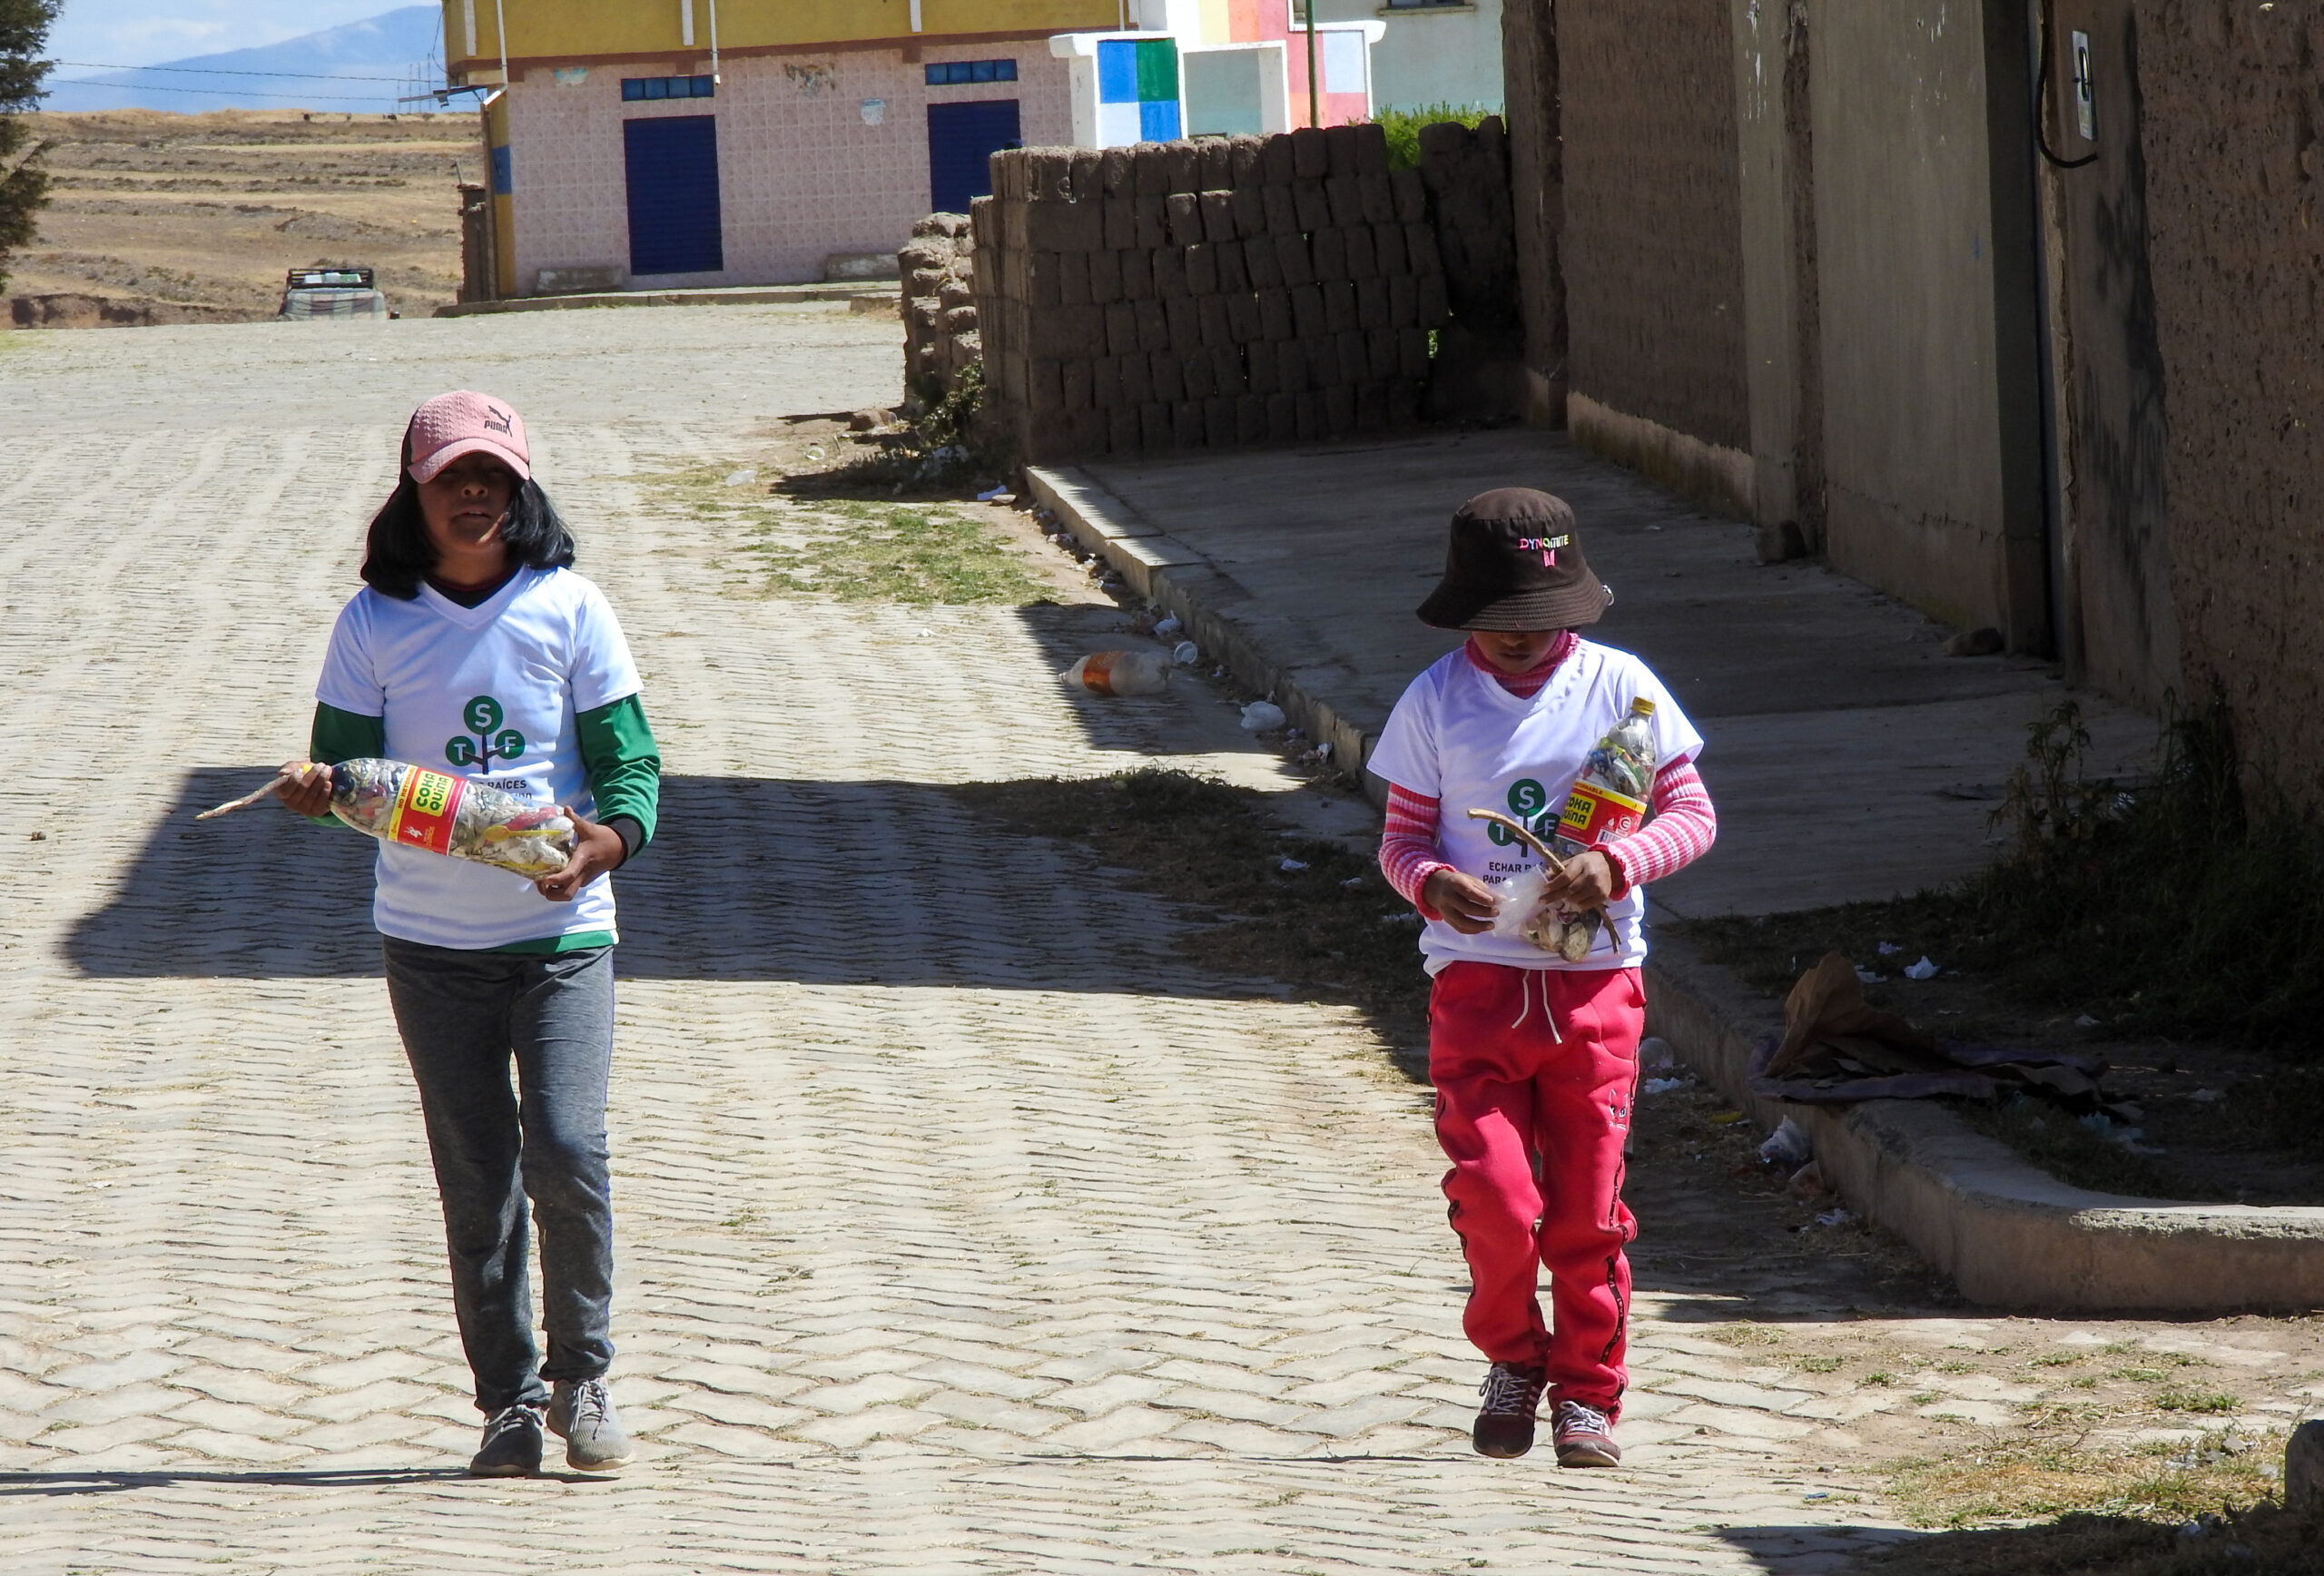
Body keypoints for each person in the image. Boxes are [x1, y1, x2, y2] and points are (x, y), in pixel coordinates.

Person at [276, 390, 661, 1477]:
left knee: (571, 1152)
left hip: (565, 940)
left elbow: (631, 762)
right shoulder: (374, 623)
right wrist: (324, 792)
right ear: (416, 492)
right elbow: (350, 771)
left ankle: (587, 1377)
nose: (475, 492)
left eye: (493, 473)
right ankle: (508, 1402)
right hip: (429, 947)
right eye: (453, 476)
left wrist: (609, 843)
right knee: (476, 1175)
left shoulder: (571, 608)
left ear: (522, 486)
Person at [1367, 488, 1717, 1465]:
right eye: (1497, 623)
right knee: (1493, 1196)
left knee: (1586, 1210)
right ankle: (1513, 1358)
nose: (1518, 640)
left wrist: (1620, 862)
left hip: (1594, 993)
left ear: (1575, 602)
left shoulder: (1625, 692)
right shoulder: (1434, 698)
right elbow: (1398, 840)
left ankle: (1588, 1395)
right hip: (1475, 993)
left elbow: (1692, 815)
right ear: (1460, 612)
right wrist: (1433, 885)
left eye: (1538, 621)